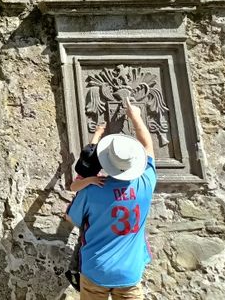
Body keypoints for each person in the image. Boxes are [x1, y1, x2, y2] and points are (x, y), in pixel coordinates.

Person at [65, 100, 157, 299]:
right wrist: (135, 116)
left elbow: (71, 219)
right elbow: (149, 147)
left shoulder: (92, 190)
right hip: (129, 272)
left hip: (95, 269)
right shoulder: (146, 183)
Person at [64, 123, 107, 291]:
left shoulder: (88, 162)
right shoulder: (84, 176)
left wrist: (98, 132)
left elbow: (91, 148)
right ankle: (74, 271)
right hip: (84, 213)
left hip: (88, 210)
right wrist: (90, 181)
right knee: (82, 241)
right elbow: (73, 187)